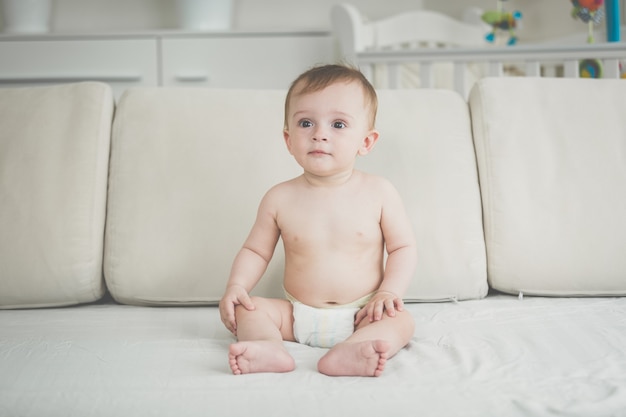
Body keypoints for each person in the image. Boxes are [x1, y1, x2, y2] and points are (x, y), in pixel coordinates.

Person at [219, 64, 417, 377]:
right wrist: (237, 286)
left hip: (362, 313)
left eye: (338, 124)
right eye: (306, 123)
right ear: (288, 139)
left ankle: (355, 350)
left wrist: (388, 293)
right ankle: (267, 346)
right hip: (295, 315)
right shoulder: (278, 197)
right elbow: (256, 251)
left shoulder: (380, 192)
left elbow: (403, 247)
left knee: (402, 322)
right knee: (250, 309)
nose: (319, 134)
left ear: (366, 142)